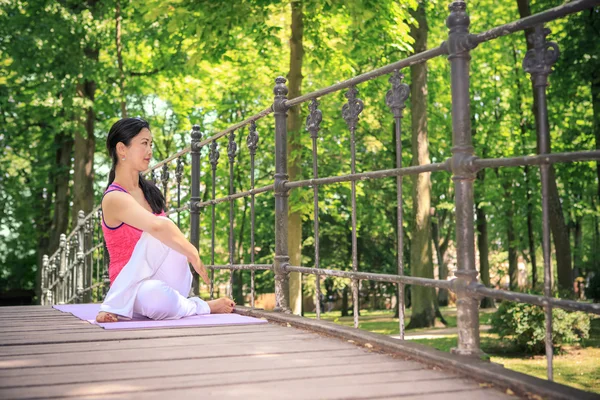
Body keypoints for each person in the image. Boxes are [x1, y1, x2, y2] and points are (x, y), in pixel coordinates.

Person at [96, 117, 234, 323]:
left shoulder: (150, 192)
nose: (150, 150)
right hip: (132, 289)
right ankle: (201, 306)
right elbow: (158, 226)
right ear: (122, 149)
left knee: (164, 230)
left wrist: (184, 250)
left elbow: (165, 235)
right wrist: (193, 253)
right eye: (144, 143)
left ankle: (177, 303)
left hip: (170, 277)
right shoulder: (114, 198)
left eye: (151, 144)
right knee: (155, 295)